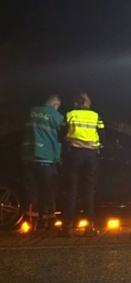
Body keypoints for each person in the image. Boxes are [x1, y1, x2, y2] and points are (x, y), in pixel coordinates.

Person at [61, 92, 104, 237]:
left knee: (71, 190)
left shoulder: (70, 114)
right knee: (88, 191)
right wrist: (99, 146)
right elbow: (103, 135)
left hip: (74, 154)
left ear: (75, 103)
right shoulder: (95, 116)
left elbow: (61, 134)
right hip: (91, 155)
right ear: (88, 102)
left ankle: (67, 227)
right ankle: (89, 228)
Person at [21, 95, 64, 230]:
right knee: (49, 190)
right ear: (55, 105)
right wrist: (58, 158)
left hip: (29, 155)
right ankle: (49, 222)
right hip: (46, 157)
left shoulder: (32, 111)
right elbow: (59, 139)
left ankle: (32, 222)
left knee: (32, 191)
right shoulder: (56, 116)